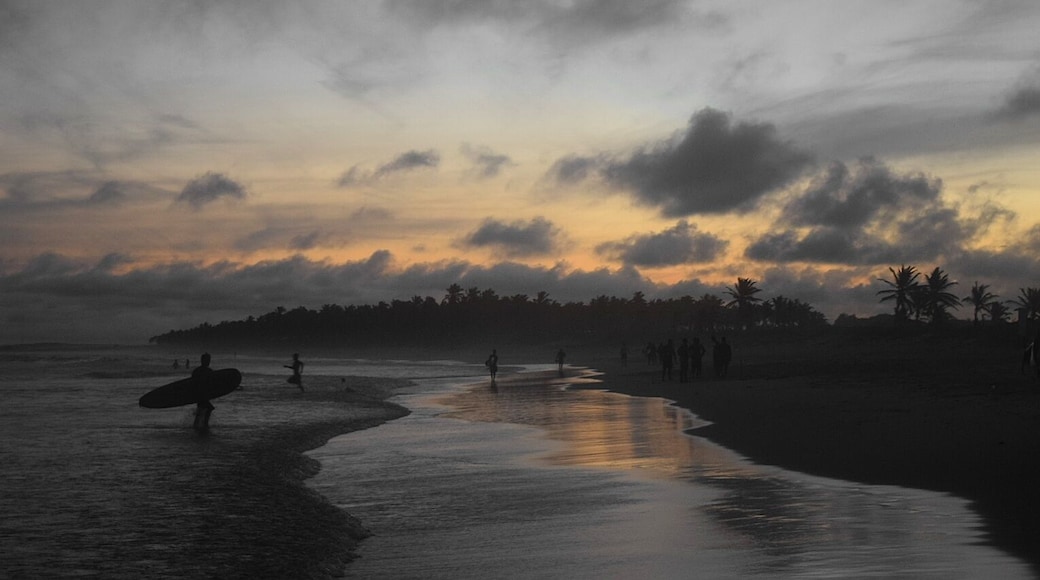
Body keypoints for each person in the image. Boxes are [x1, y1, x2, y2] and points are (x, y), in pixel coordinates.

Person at [191, 353, 215, 433]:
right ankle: (204, 424)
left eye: (209, 360)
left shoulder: (197, 371)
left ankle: (197, 425)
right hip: (201, 394)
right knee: (208, 408)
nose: (208, 362)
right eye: (207, 360)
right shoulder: (207, 371)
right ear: (202, 360)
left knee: (201, 409)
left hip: (200, 394)